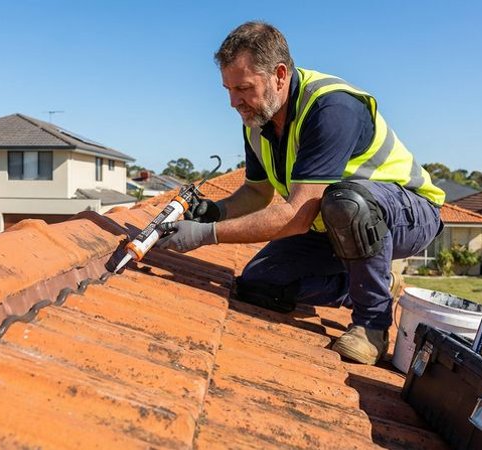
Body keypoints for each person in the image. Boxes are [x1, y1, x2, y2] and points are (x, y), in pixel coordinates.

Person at [157, 21, 445, 365]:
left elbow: (297, 215)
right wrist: (216, 212)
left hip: (407, 216)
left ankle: (372, 324)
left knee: (348, 203)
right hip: (334, 226)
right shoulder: (258, 120)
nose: (234, 102)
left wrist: (205, 235)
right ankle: (375, 282)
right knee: (258, 284)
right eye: (228, 89)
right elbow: (256, 192)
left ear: (279, 74)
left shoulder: (331, 108)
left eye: (244, 88)